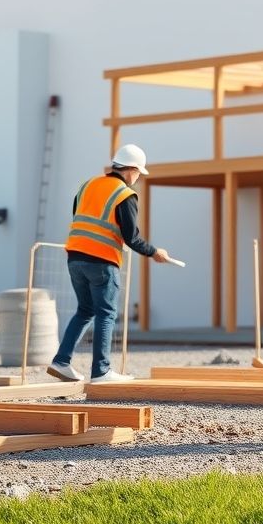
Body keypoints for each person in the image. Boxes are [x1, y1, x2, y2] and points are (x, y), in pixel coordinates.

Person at [48, 144, 172, 383]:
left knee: (85, 310)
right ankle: (101, 371)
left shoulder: (87, 185)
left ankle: (61, 361)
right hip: (102, 261)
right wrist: (155, 252)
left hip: (75, 257)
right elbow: (131, 238)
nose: (137, 178)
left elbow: (82, 218)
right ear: (132, 170)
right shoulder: (124, 194)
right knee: (106, 313)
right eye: (138, 173)